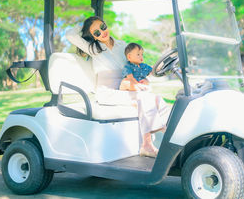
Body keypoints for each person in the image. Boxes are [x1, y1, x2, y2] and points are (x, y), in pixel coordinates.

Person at [66, 16, 169, 158]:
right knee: (143, 98)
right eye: (96, 33)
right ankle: (147, 145)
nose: (102, 32)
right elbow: (70, 35)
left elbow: (134, 66)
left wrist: (145, 78)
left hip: (125, 87)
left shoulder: (122, 45)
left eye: (102, 27)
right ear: (93, 37)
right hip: (107, 92)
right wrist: (85, 25)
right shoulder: (93, 49)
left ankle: (171, 135)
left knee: (156, 98)